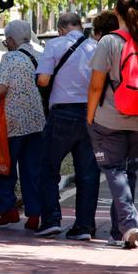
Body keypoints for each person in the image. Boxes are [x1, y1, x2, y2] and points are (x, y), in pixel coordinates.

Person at [86, 0, 138, 249]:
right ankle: (120, 233)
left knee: (115, 171)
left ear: (115, 12)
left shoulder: (109, 41)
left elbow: (96, 86)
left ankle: (129, 224)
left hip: (111, 119)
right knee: (130, 174)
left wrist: (89, 116)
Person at [34, 13, 100, 238]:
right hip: (90, 114)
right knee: (88, 173)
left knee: (47, 167)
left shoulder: (54, 45)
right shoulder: (94, 46)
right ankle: (85, 227)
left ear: (61, 28)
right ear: (80, 27)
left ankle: (51, 220)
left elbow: (43, 80)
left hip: (62, 114)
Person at [0, 20, 46, 227]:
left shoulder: (10, 58)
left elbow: (0, 90)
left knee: (3, 166)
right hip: (37, 122)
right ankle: (34, 215)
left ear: (11, 40)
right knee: (32, 169)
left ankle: (8, 209)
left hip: (14, 124)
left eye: (6, 41)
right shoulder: (40, 56)